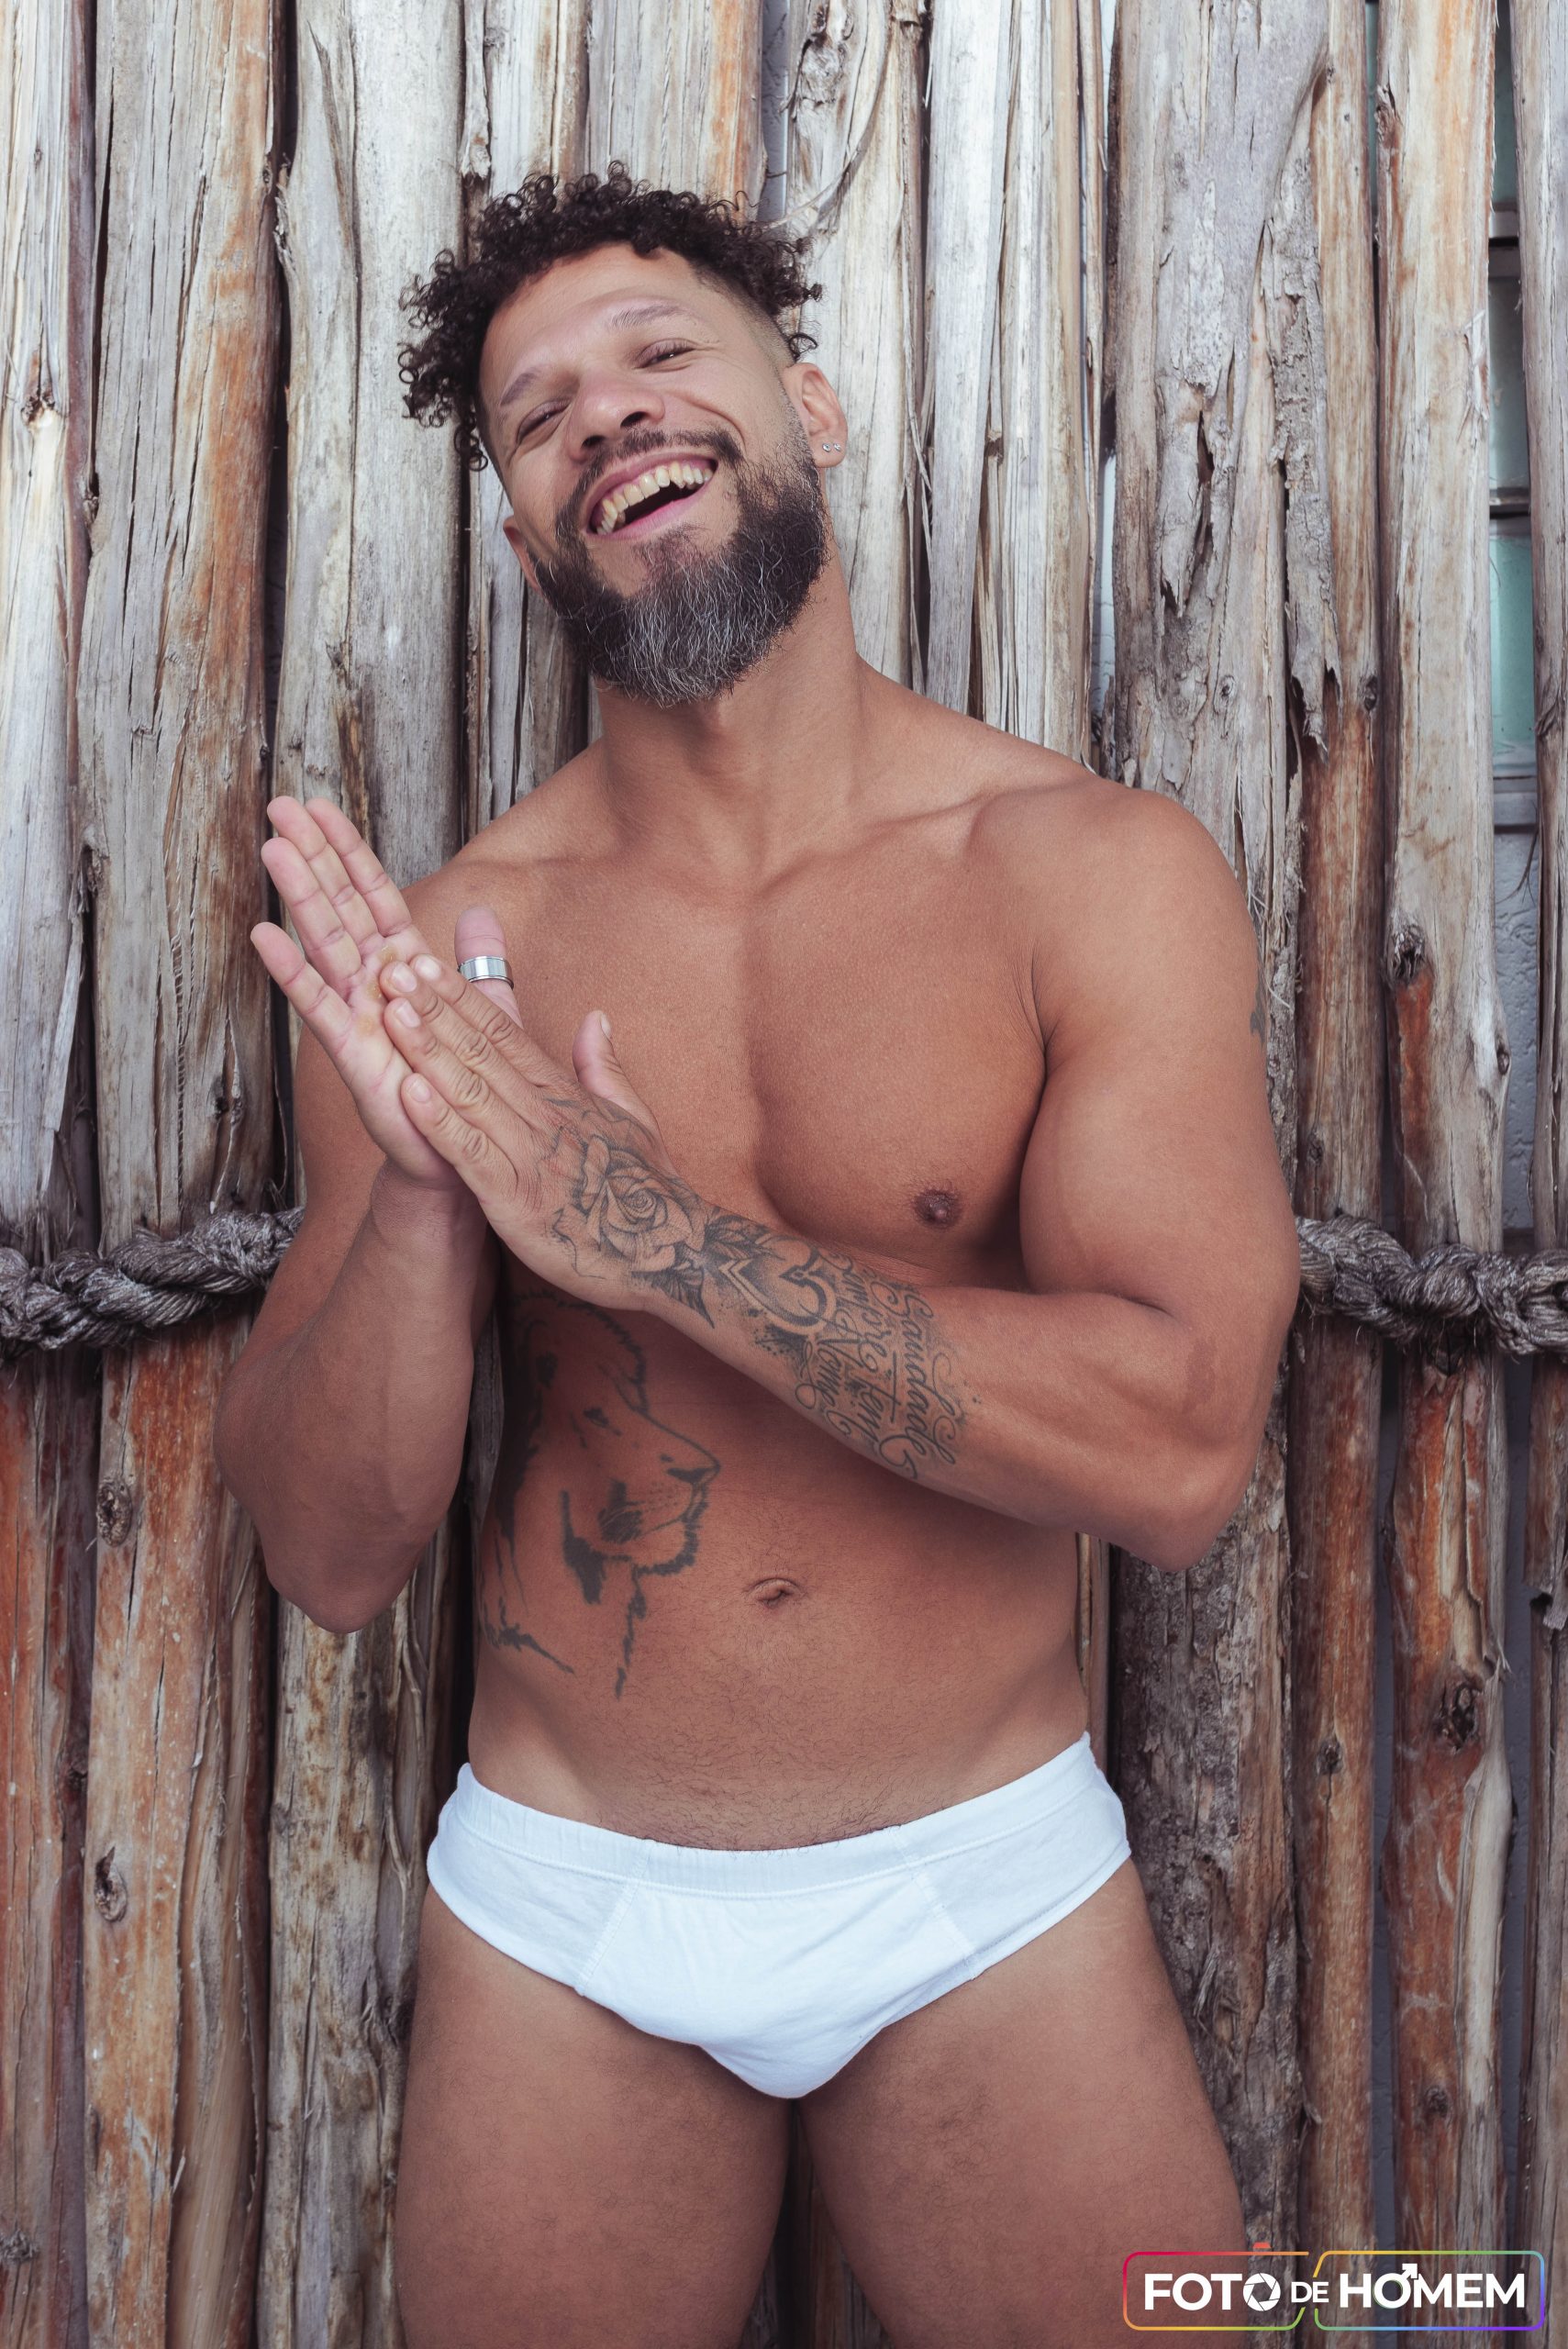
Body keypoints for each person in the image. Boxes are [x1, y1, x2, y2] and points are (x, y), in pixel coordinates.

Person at [216, 164, 1302, 2349]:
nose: (605, 416)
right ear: (525, 532)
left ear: (806, 402)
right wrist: (431, 1196)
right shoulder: (449, 958)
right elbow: (330, 1555)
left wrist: (651, 1239)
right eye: (539, 416)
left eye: (658, 356)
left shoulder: (1085, 872)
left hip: (977, 1878)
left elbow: (1181, 1448)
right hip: (576, 1901)